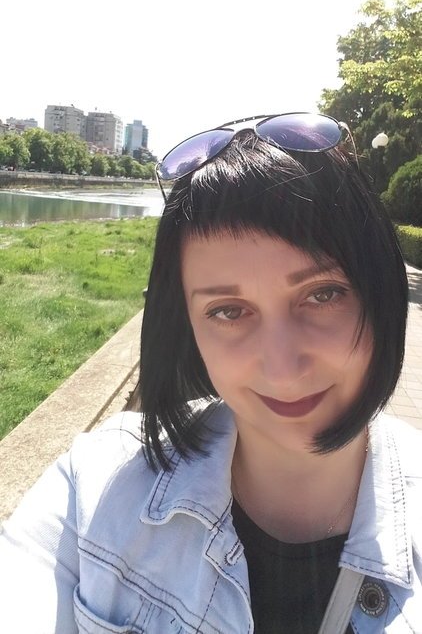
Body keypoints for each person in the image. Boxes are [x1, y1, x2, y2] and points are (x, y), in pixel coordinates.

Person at [1, 112, 421, 633]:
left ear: (379, 292)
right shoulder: (94, 487)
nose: (283, 369)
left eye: (322, 295)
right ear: (187, 328)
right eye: (228, 311)